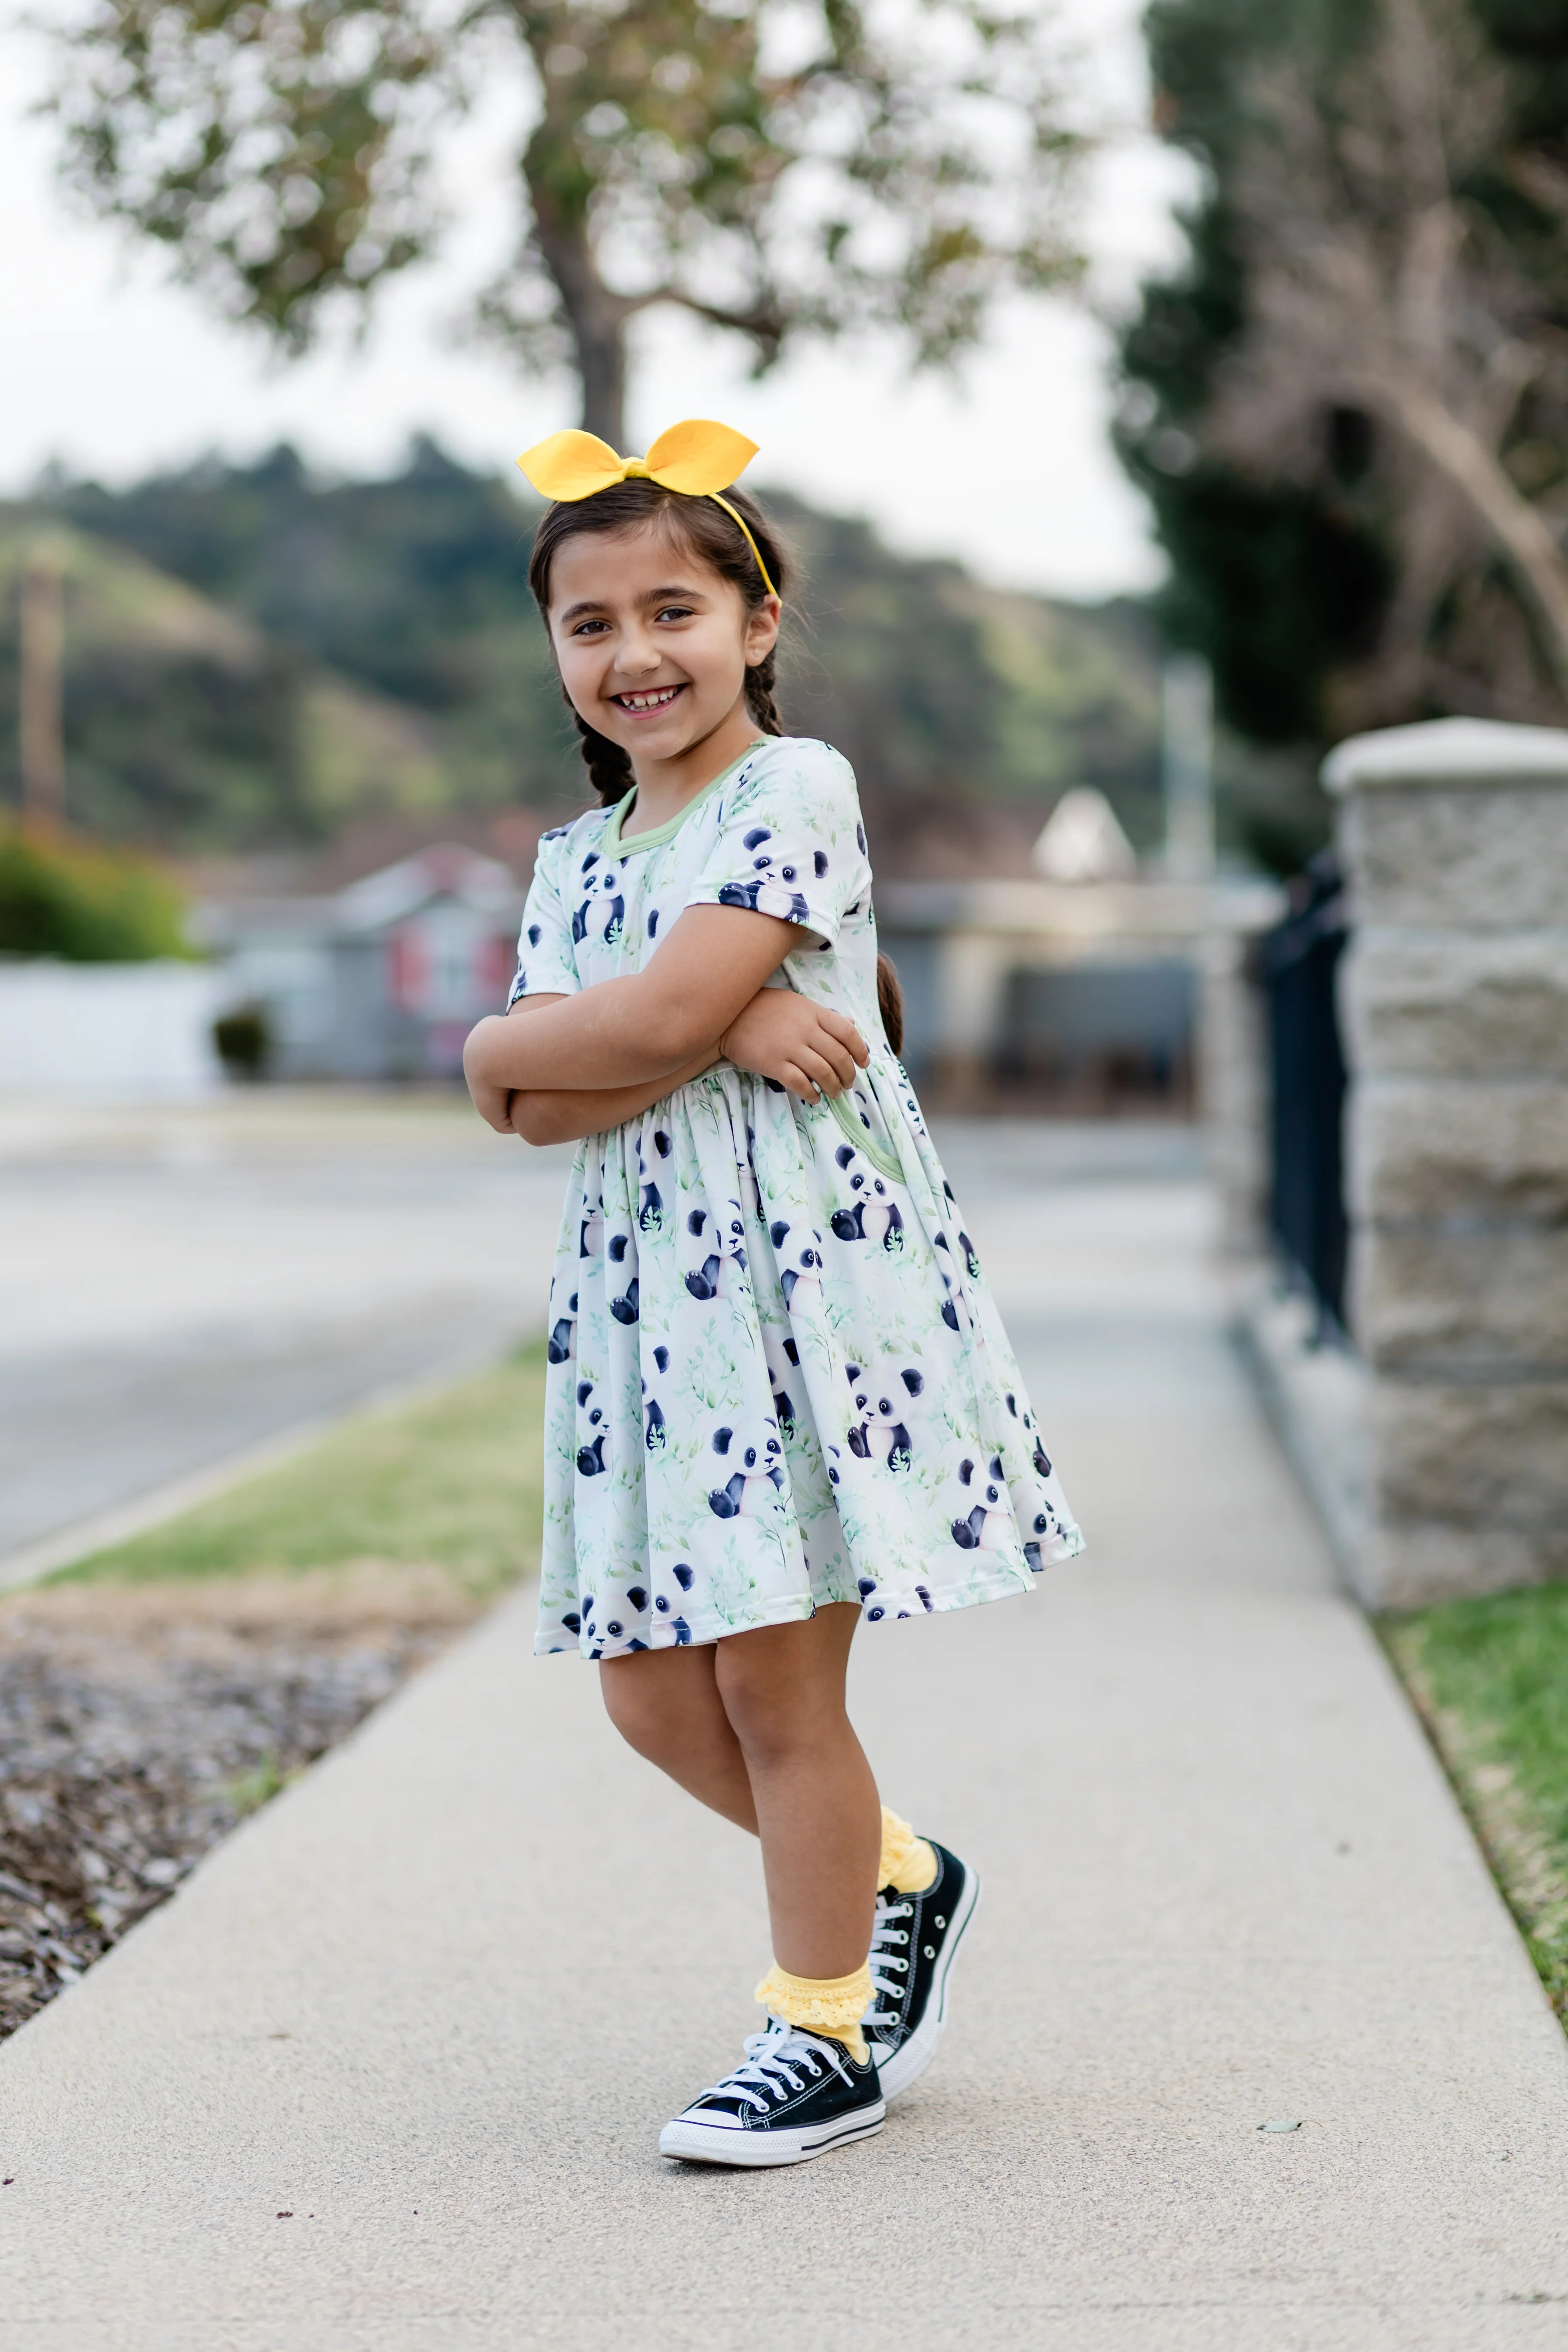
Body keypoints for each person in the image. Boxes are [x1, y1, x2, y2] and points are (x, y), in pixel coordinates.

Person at [463, 419, 1083, 2167]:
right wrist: (665, 1022)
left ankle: (823, 2027)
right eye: (591, 625)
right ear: (558, 657)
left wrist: (647, 1020)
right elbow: (526, 1097)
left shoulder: (791, 795)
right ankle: (895, 1873)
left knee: (771, 1694)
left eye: (674, 608)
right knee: (650, 1695)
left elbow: (604, 1042)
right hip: (653, 1316)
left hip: (803, 1301)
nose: (635, 654)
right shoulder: (575, 862)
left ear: (757, 618)